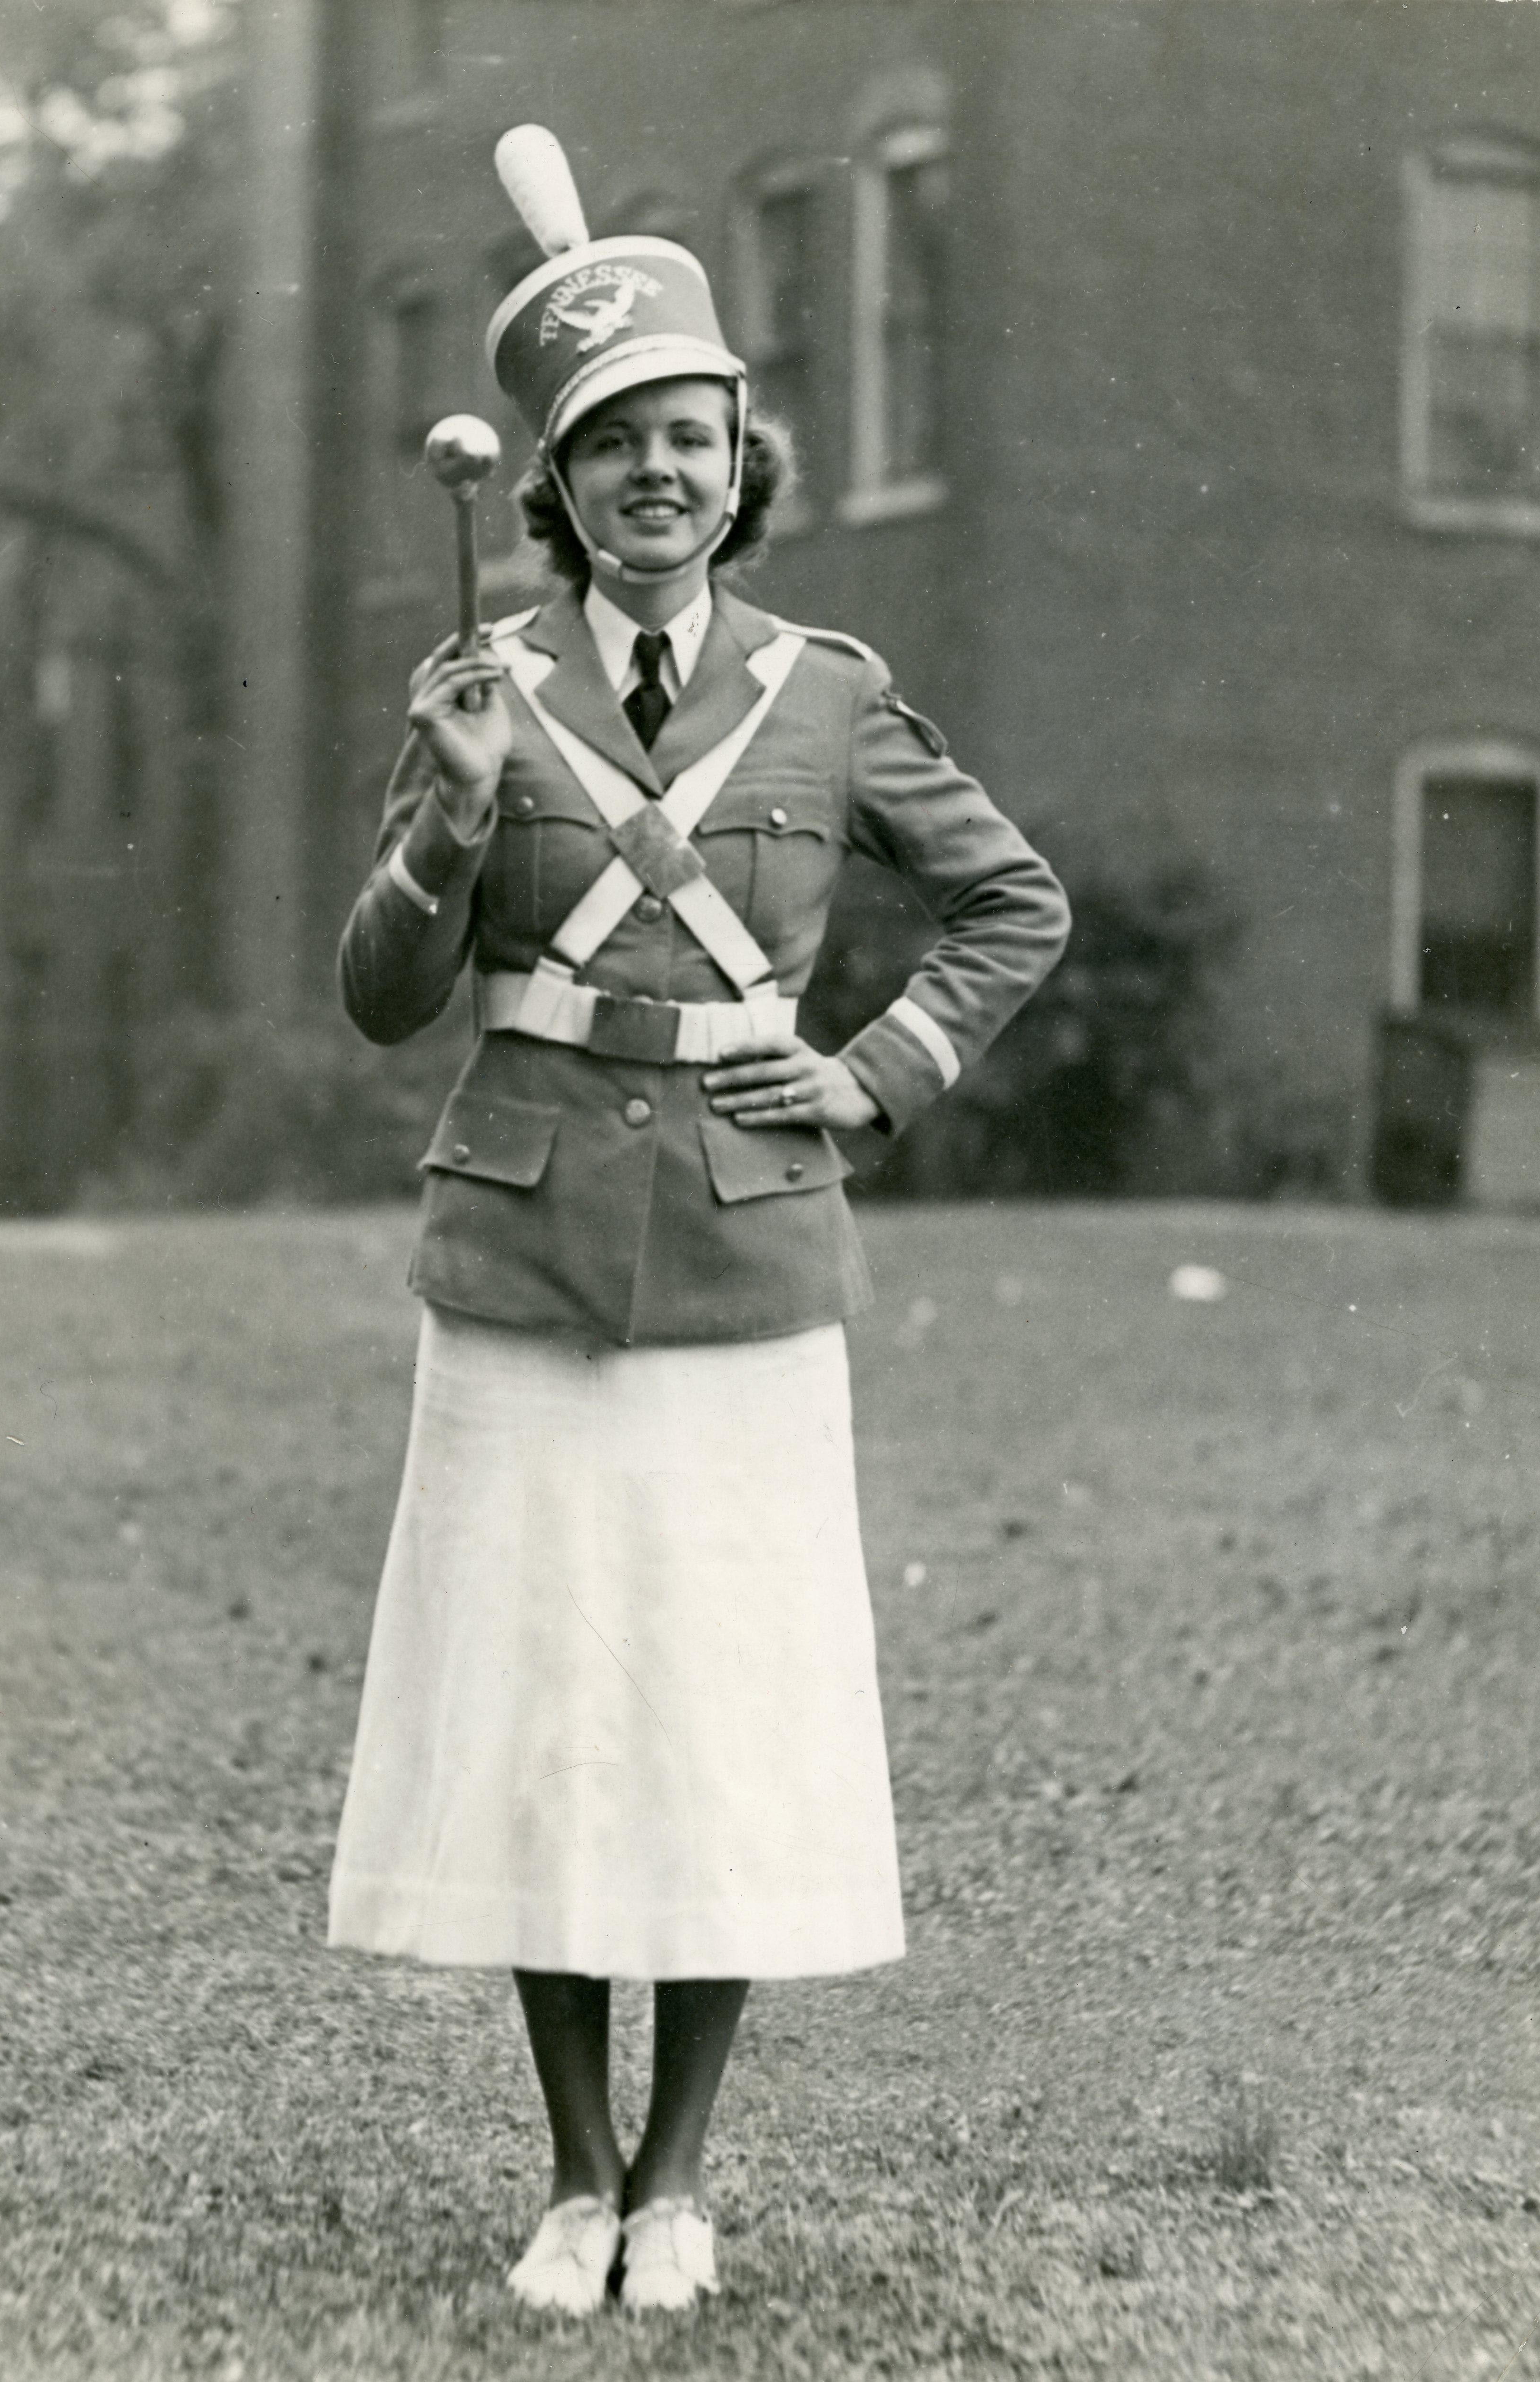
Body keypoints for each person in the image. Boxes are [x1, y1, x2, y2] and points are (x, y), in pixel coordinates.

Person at [328, 139, 1070, 2318]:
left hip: (750, 1257)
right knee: (552, 1715)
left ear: (744, 462)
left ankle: (681, 2176)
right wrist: (449, 814)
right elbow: (382, 1000)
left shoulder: (824, 692)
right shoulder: (477, 684)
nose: (660, 475)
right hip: (529, 1254)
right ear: (555, 482)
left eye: (693, 438)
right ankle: (571, 2174)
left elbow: (1014, 899)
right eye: (616, 448)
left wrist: (869, 1070)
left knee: (721, 1720)